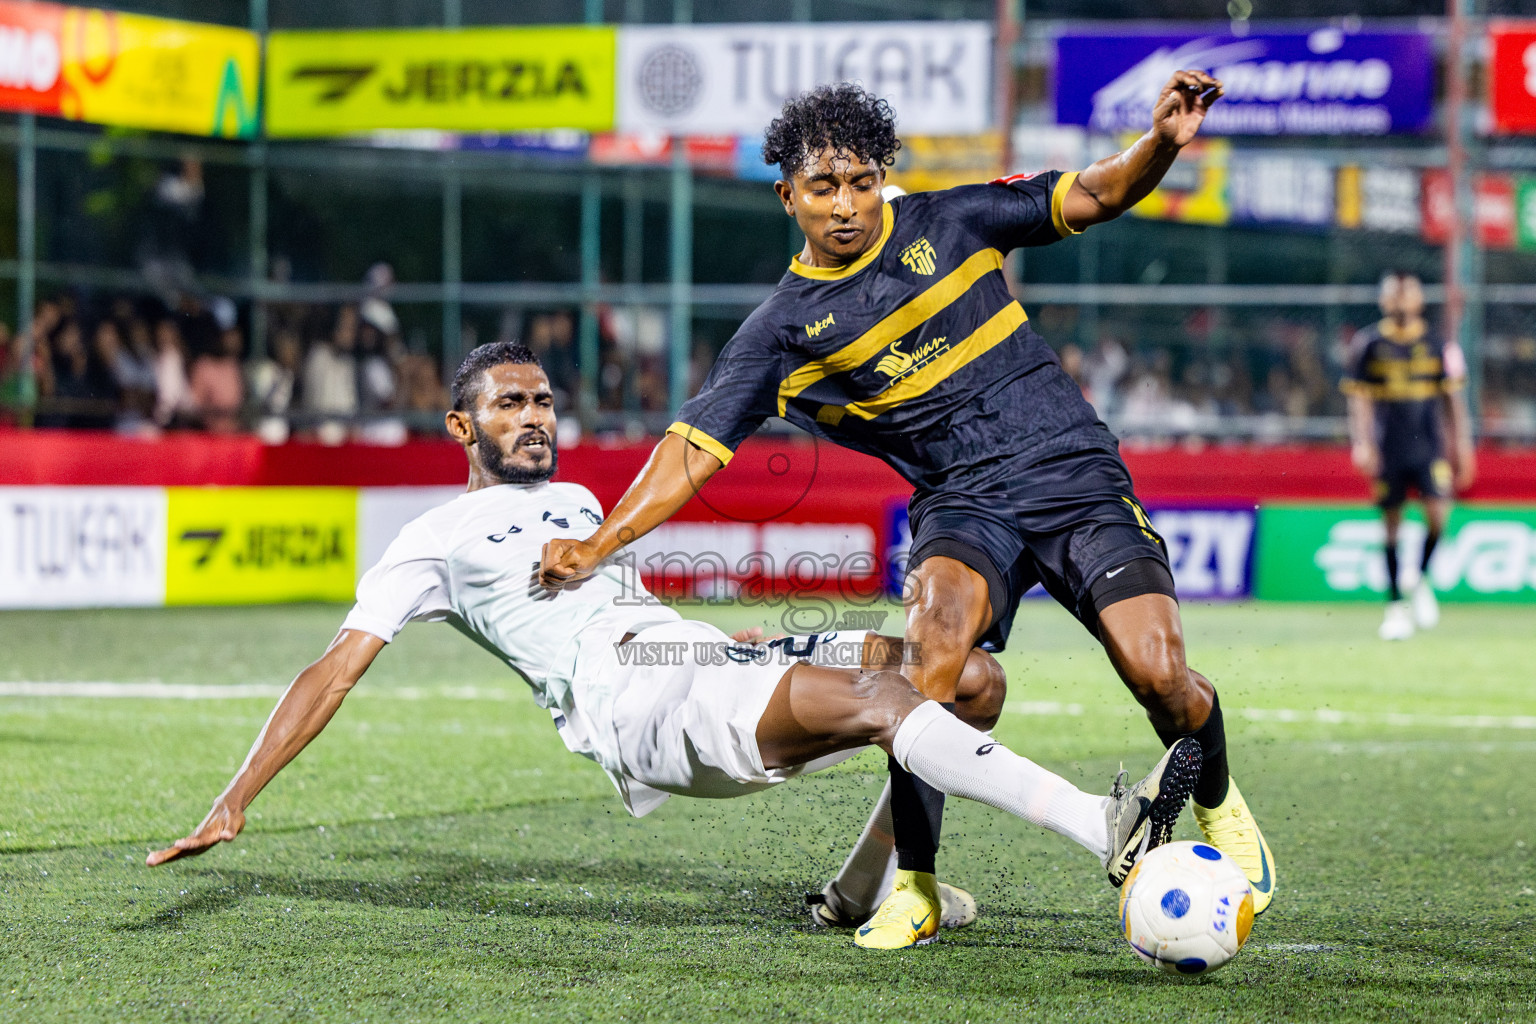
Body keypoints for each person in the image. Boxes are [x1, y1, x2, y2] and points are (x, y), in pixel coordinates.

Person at [540, 73, 1275, 949]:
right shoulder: (781, 332)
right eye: (823, 188)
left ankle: (1219, 799)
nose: (846, 206)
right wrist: (600, 543)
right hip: (963, 507)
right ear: (788, 195)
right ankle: (915, 884)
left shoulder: (952, 221)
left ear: (882, 174)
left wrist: (1162, 141)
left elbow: (1098, 190)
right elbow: (693, 448)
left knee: (1159, 675)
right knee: (924, 670)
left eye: (860, 181)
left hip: (1071, 471)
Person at [146, 344, 1201, 933]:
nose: (536, 415)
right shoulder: (429, 539)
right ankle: (1100, 825)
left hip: (694, 659)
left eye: (545, 400)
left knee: (964, 677)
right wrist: (235, 799)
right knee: (894, 703)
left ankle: (861, 889)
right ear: (461, 427)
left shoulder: (574, 496)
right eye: (510, 403)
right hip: (638, 709)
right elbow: (331, 670)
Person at [1343, 272, 1475, 641]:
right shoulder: (1368, 343)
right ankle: (1395, 606)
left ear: (1419, 300)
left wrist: (1461, 447)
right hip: (1389, 448)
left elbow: (1454, 402)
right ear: (1384, 301)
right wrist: (1363, 442)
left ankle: (1418, 577)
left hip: (1429, 446)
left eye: (1408, 293)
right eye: (1393, 294)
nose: (1400, 300)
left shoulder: (1439, 345)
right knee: (1391, 526)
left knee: (1438, 517)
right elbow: (1359, 400)